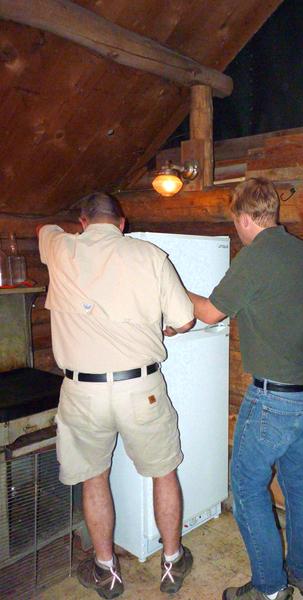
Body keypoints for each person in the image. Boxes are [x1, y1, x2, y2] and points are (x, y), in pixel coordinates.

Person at [38, 192, 195, 599]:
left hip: (82, 392)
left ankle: (107, 572)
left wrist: (71, 237)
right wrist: (165, 328)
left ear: (84, 221)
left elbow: (44, 230)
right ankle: (172, 562)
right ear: (122, 223)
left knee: (95, 478)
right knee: (164, 471)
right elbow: (185, 318)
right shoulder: (150, 255)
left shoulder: (61, 247)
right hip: (140, 388)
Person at [188, 178, 303, 600]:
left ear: (246, 218)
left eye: (236, 221)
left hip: (275, 399)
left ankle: (269, 589)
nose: (237, 229)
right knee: (297, 479)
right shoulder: (301, 252)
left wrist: (170, 288)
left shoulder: (255, 257)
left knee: (247, 484)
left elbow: (210, 313)